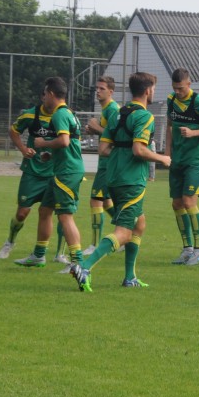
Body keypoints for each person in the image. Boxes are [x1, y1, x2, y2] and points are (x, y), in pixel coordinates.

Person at [71, 72, 172, 291]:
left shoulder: (118, 113)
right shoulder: (145, 117)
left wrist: (122, 150)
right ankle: (84, 267)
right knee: (124, 231)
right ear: (147, 91)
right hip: (131, 180)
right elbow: (139, 150)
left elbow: (104, 149)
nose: (153, 92)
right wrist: (162, 158)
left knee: (139, 223)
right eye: (153, 88)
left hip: (113, 177)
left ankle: (130, 277)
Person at [14, 77, 85, 270]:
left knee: (65, 216)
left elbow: (64, 141)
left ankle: (78, 263)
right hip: (62, 168)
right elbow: (69, 143)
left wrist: (43, 144)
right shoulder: (70, 113)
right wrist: (49, 154)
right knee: (45, 211)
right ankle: (38, 256)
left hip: (67, 172)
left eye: (45, 94)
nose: (43, 98)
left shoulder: (59, 115)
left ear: (52, 94)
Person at [0, 94, 68, 265]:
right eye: (43, 95)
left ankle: (56, 253)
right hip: (32, 173)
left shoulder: (62, 116)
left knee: (54, 213)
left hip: (53, 174)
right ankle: (10, 241)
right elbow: (13, 130)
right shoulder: (31, 114)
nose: (45, 98)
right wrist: (23, 149)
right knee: (22, 213)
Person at [165, 68, 199, 265]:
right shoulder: (171, 100)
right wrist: (167, 153)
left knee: (189, 202)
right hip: (177, 160)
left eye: (181, 88)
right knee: (177, 204)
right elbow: (169, 126)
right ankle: (187, 249)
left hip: (195, 161)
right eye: (175, 88)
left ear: (189, 84)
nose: (178, 92)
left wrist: (194, 133)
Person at [83, 75, 119, 257]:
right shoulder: (106, 109)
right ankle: (125, 232)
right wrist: (94, 129)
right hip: (105, 162)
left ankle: (95, 244)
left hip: (109, 162)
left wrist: (96, 127)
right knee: (105, 202)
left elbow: (115, 136)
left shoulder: (112, 109)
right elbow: (105, 133)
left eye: (102, 88)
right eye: (97, 88)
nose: (98, 91)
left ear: (111, 91)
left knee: (95, 200)